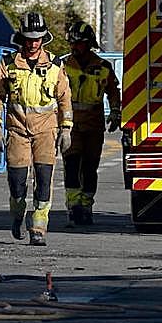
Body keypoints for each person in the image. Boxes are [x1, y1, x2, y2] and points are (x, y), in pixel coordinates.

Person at [0, 11, 73, 247]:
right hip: (17, 130)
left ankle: (38, 226)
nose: (33, 43)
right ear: (22, 38)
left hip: (46, 131)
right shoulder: (8, 64)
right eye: (29, 39)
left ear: (43, 39)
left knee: (44, 179)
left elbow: (65, 98)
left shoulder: (55, 65)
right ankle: (18, 214)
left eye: (37, 39)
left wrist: (66, 128)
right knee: (17, 181)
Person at [60, 20, 120, 227]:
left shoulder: (103, 67)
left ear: (88, 44)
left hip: (94, 126)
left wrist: (115, 112)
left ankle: (86, 205)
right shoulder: (63, 66)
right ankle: (74, 205)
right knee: (72, 164)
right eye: (72, 43)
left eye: (78, 43)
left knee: (90, 166)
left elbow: (113, 92)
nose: (74, 47)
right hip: (70, 125)